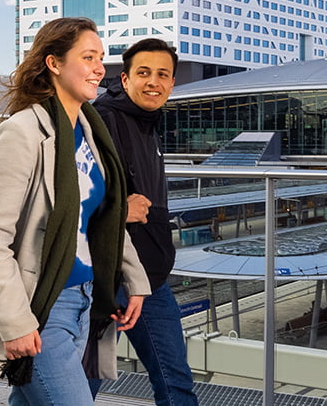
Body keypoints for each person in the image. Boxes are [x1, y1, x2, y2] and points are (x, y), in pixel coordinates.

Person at [0, 17, 151, 406]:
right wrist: (15, 322)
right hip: (42, 306)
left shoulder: (90, 132)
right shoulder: (22, 133)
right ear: (54, 63)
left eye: (101, 58)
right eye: (88, 57)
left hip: (83, 299)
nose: (100, 68)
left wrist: (135, 281)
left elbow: (105, 218)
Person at [93, 37, 198, 406]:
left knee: (175, 379)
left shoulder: (146, 124)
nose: (153, 82)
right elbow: (69, 196)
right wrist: (119, 209)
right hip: (107, 274)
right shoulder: (102, 121)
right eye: (143, 73)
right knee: (82, 382)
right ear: (124, 80)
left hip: (149, 276)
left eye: (162, 74)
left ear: (172, 84)